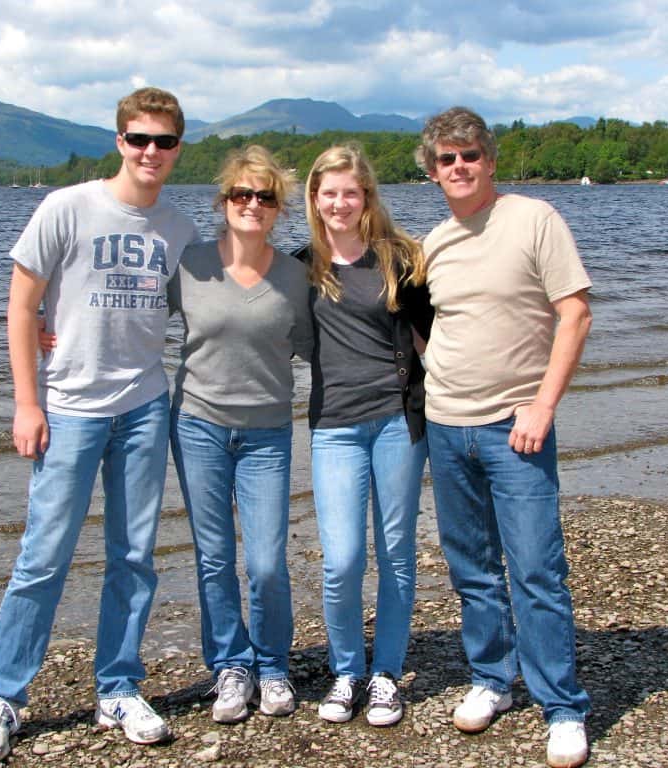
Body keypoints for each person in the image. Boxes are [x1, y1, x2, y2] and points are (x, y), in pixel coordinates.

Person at [0, 87, 198, 764]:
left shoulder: (178, 228)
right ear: (119, 141)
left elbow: (212, 303)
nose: (150, 152)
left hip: (145, 405)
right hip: (67, 408)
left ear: (178, 148)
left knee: (133, 555)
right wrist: (26, 401)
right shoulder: (67, 206)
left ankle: (119, 687)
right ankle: (3, 696)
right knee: (44, 555)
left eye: (164, 141)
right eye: (139, 139)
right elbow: (20, 306)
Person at [415, 107, 593, 768]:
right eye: (446, 159)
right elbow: (425, 325)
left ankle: (563, 707)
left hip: (515, 429)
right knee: (471, 568)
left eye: (469, 155)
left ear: (489, 159)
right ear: (432, 171)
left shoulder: (534, 219)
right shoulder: (433, 243)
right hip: (445, 423)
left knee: (536, 569)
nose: (458, 167)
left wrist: (543, 405)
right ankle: (493, 680)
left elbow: (574, 313)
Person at [168, 145, 312, 724]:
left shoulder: (296, 275)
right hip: (198, 426)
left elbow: (324, 344)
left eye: (265, 197)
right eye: (241, 195)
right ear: (223, 201)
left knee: (268, 562)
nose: (252, 204)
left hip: (267, 433)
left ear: (279, 209)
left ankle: (272, 664)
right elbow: (124, 314)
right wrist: (50, 326)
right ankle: (230, 664)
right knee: (213, 556)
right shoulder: (190, 264)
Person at [294, 144, 432, 726]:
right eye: (330, 193)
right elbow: (252, 322)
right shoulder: (301, 266)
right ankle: (347, 669)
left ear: (366, 197)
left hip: (398, 422)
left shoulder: (400, 258)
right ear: (315, 199)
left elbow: (436, 338)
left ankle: (385, 674)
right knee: (343, 559)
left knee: (396, 553)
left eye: (351, 192)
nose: (340, 203)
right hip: (335, 427)